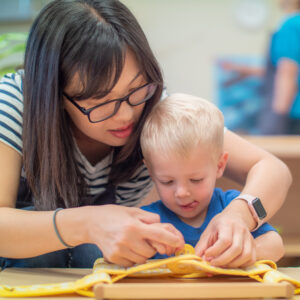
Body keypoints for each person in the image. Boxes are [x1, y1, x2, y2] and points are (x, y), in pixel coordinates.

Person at [0, 0, 291, 269]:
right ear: (54, 94)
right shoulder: (15, 104)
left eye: (136, 88)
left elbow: (272, 168)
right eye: (100, 101)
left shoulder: (151, 105)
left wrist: (241, 213)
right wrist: (88, 223)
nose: (127, 114)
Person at [140, 94, 284, 266]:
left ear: (219, 166)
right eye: (167, 181)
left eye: (196, 179)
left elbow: (277, 245)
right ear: (150, 171)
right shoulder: (147, 221)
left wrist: (245, 251)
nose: (182, 193)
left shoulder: (230, 204)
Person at [220, 0, 300, 134]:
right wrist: (244, 70)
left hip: (293, 116)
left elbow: (287, 73)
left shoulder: (292, 25)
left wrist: (277, 121)